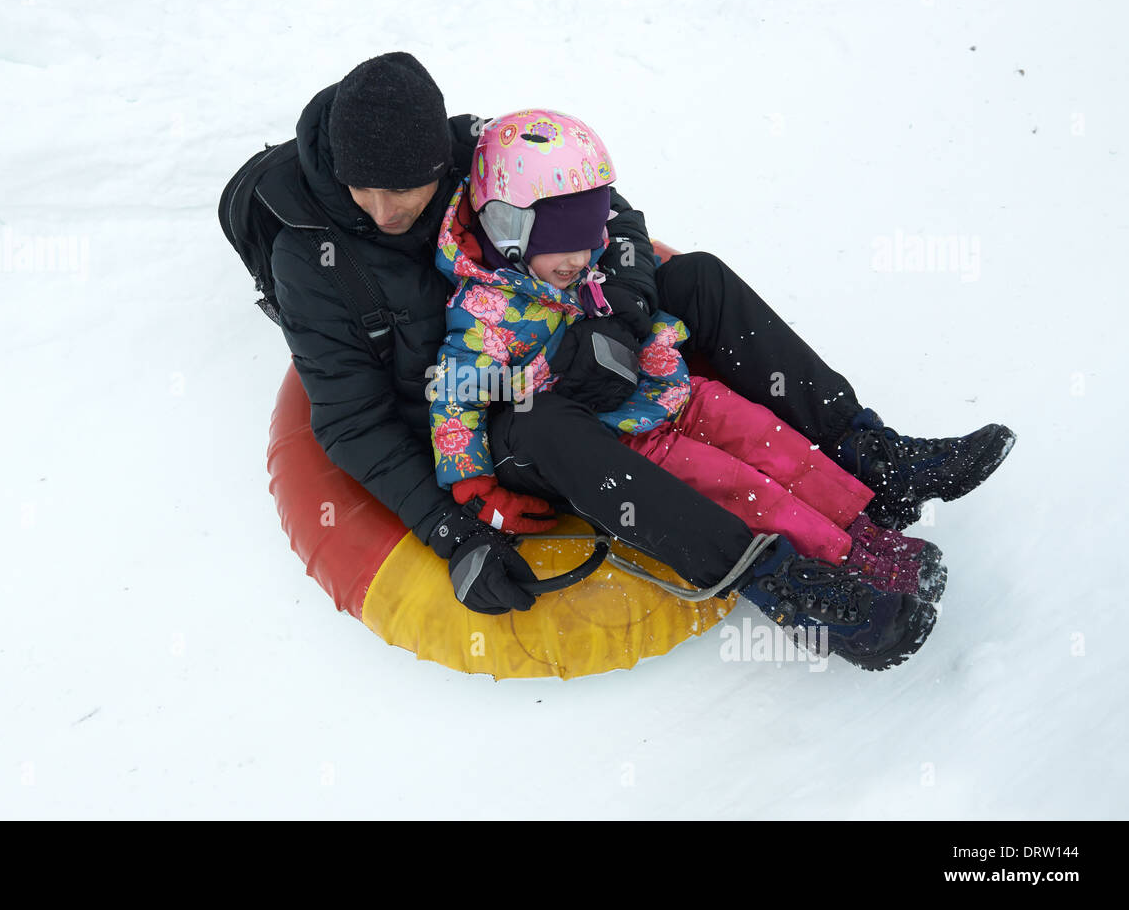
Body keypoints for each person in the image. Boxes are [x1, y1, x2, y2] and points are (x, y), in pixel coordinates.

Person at [226, 52, 1015, 669]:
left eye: (412, 188)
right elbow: (353, 420)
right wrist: (451, 530)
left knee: (697, 276)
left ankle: (872, 451)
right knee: (540, 424)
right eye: (368, 189)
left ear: (444, 156)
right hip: (486, 409)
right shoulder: (312, 259)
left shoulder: (479, 152)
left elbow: (615, 217)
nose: (389, 211)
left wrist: (625, 313)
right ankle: (782, 584)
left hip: (566, 326)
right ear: (340, 165)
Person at [425, 110, 947, 669]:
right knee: (744, 487)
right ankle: (829, 588)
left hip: (676, 391)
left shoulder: (577, 258)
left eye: (588, 240)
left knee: (775, 444)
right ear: (509, 230)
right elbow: (454, 401)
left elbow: (625, 248)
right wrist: (476, 491)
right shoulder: (484, 320)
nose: (582, 258)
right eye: (565, 246)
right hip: (630, 441)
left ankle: (864, 531)